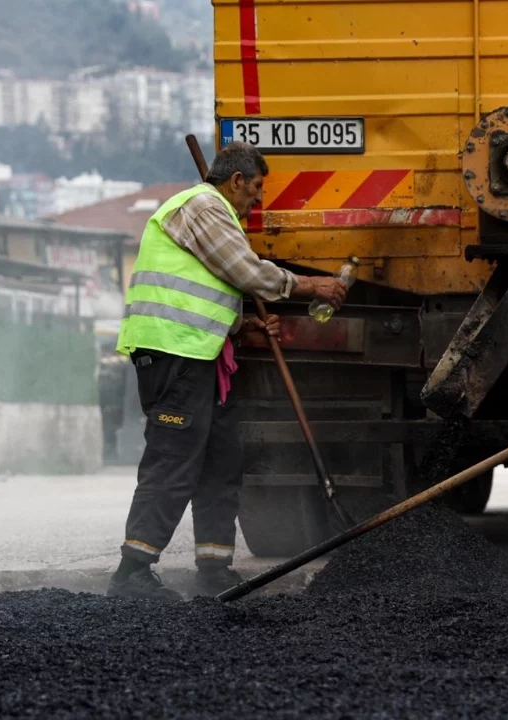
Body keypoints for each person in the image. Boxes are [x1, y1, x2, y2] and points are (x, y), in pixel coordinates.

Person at [108, 142, 348, 600]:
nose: (259, 199)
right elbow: (246, 272)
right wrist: (311, 284)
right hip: (172, 353)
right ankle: (132, 571)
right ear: (235, 181)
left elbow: (208, 289)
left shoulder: (216, 216)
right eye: (257, 188)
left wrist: (243, 325)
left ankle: (214, 569)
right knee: (174, 460)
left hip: (202, 354)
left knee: (221, 462)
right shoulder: (203, 206)